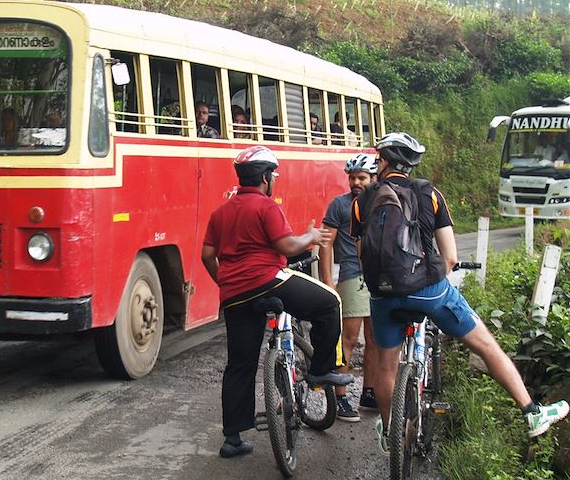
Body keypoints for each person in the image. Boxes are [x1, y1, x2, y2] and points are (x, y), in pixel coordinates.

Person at [349, 132, 569, 454]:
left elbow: (361, 253)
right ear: (410, 164)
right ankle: (532, 412)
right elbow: (450, 257)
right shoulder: (430, 194)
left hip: (382, 294)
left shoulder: (362, 201)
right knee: (486, 345)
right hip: (429, 290)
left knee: (386, 366)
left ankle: (390, 432)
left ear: (383, 162)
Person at [202, 145, 352, 459]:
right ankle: (321, 370)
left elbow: (207, 255)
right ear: (266, 177)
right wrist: (311, 237)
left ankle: (232, 438)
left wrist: (226, 284)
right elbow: (287, 244)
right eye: (274, 175)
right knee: (330, 303)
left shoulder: (221, 211)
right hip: (268, 279)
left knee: (239, 364)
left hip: (234, 294)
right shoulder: (265, 206)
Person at [319, 153, 380, 422]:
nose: (356, 182)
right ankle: (340, 396)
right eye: (353, 178)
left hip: (379, 279)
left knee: (376, 340)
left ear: (373, 178)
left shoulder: (381, 203)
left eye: (362, 178)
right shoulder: (340, 205)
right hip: (353, 277)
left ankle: (369, 392)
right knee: (349, 340)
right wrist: (328, 282)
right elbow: (325, 243)